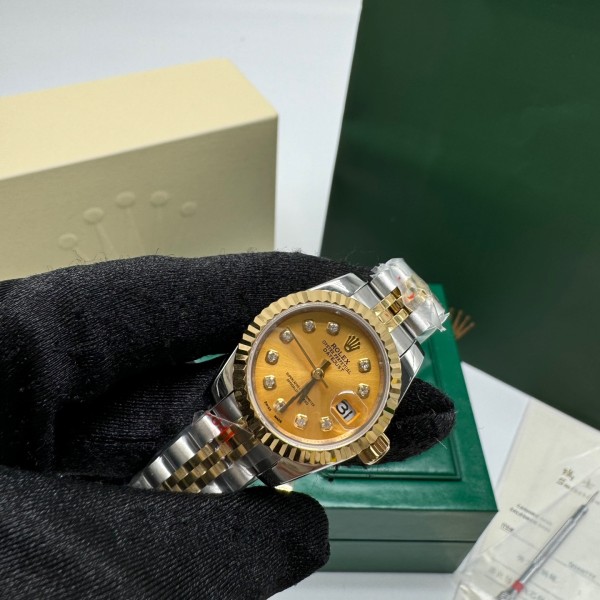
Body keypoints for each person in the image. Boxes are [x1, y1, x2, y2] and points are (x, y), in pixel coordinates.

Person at [0, 252, 455, 599]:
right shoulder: (345, 302)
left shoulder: (402, 363)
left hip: (266, 429)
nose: (319, 373)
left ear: (366, 437)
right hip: (237, 395)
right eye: (318, 368)